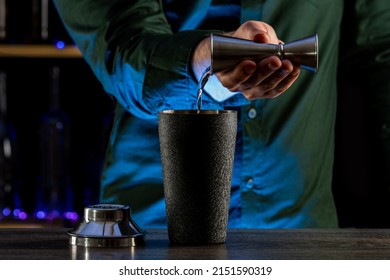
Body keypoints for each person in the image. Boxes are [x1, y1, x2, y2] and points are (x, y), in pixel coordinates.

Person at [53, 0, 390, 228]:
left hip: (300, 231)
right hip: (155, 229)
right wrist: (207, 64)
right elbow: (121, 45)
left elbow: (382, 53)